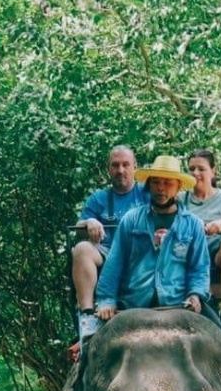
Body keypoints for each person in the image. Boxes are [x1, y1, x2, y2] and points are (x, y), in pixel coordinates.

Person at [95, 155, 209, 323]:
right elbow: (115, 262)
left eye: (167, 183)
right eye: (155, 182)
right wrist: (107, 300)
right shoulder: (131, 219)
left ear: (178, 187)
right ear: (149, 185)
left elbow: (199, 268)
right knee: (92, 343)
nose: (160, 188)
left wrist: (195, 295)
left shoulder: (193, 225)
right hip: (133, 305)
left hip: (178, 305)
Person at [72, 145, 149, 340]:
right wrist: (89, 222)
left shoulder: (147, 194)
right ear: (109, 169)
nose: (121, 170)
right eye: (115, 165)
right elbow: (78, 224)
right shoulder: (99, 198)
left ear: (135, 167)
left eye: (125, 164)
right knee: (81, 249)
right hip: (107, 254)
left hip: (142, 256)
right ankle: (88, 316)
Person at [183, 148, 221, 337]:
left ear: (213, 171)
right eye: (191, 169)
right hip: (189, 256)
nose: (195, 173)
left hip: (216, 255)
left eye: (201, 169)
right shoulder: (181, 198)